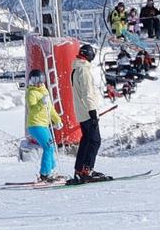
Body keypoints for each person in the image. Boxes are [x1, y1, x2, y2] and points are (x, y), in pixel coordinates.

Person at [69, 44, 109, 182]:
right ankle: (87, 169)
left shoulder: (76, 69)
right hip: (87, 111)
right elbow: (87, 94)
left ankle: (80, 169)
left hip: (81, 111)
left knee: (86, 139)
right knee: (94, 141)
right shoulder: (83, 71)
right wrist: (92, 112)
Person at [23, 71, 60, 182]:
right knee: (47, 147)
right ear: (31, 81)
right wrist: (40, 103)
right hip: (35, 124)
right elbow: (32, 109)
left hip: (44, 124)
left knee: (51, 148)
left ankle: (51, 171)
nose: (38, 83)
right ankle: (44, 174)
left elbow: (51, 109)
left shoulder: (45, 91)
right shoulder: (31, 93)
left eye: (40, 79)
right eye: (35, 80)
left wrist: (57, 120)